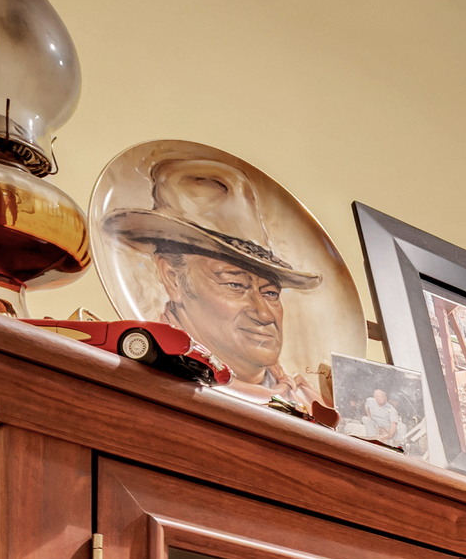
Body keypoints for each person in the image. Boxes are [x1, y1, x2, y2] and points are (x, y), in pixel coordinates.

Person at [107, 153, 324, 405]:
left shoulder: (304, 402)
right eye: (235, 284)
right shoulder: (145, 377)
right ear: (172, 279)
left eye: (270, 293)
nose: (264, 314)